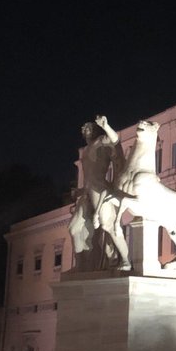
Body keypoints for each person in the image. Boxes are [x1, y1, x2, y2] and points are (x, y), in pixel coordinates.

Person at [67, 115, 131, 270]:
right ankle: (81, 265)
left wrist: (106, 126)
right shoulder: (86, 150)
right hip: (87, 190)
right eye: (84, 128)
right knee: (74, 228)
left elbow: (116, 141)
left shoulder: (102, 141)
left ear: (95, 130)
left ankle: (125, 260)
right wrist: (80, 190)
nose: (85, 130)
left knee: (108, 225)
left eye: (89, 127)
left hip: (100, 189)